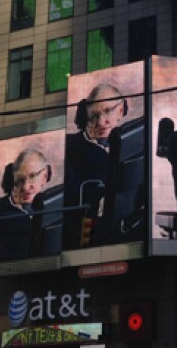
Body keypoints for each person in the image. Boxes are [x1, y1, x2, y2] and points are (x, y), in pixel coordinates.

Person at [63, 83, 128, 248]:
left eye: (107, 111)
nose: (101, 122)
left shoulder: (129, 141)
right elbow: (74, 192)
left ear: (120, 111)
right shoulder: (68, 147)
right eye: (93, 116)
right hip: (86, 237)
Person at [0, 148, 51, 261]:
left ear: (44, 177)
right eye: (19, 180)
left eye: (32, 176)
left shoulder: (52, 204)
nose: (25, 187)